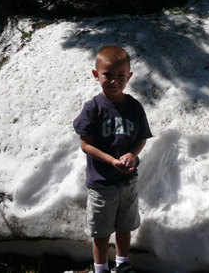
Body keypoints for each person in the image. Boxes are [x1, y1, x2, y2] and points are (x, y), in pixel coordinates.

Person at [74, 45, 152, 273]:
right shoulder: (93, 108)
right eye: (107, 75)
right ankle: (100, 269)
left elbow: (141, 139)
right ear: (96, 75)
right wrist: (110, 161)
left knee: (125, 226)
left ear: (129, 77)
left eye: (120, 76)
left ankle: (122, 264)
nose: (114, 81)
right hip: (102, 183)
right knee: (100, 231)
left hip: (128, 182)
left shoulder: (134, 107)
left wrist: (131, 154)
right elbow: (85, 144)